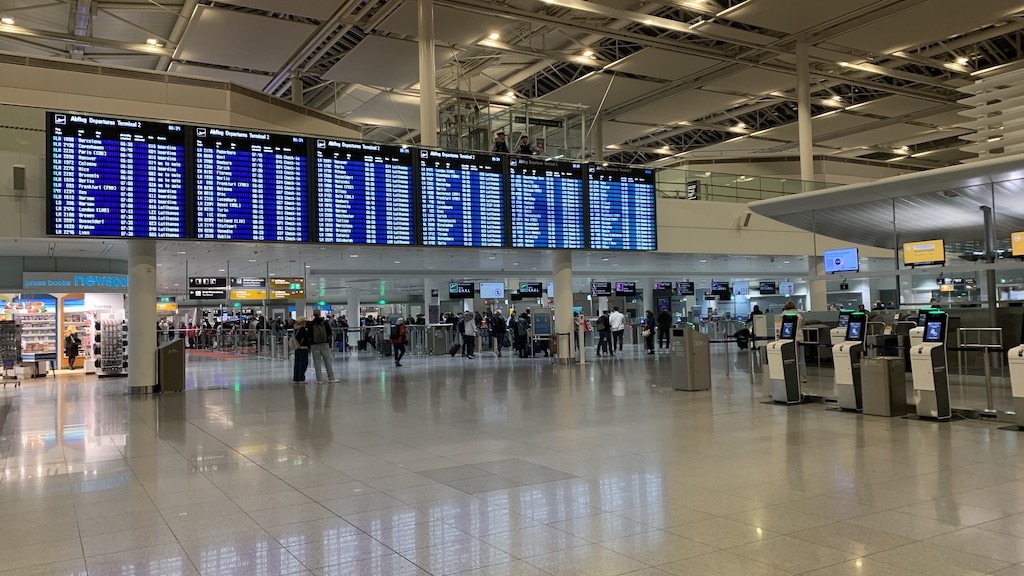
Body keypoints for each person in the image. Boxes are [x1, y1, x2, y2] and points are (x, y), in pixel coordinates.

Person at [309, 310, 339, 384]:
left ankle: (319, 380)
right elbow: (329, 333)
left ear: (313, 314)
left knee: (317, 362)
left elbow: (309, 334)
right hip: (324, 344)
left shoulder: (311, 323)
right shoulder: (324, 322)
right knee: (327, 360)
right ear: (319, 314)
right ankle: (331, 378)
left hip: (314, 344)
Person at [783, 301, 807, 383]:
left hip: (787, 340)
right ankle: (803, 376)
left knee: (789, 359)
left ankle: (791, 376)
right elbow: (802, 325)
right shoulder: (799, 316)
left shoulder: (782, 316)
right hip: (799, 339)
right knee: (801, 358)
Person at [293, 316, 311, 383]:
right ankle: (301, 378)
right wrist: (309, 346)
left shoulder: (295, 329)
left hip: (297, 347)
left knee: (297, 363)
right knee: (303, 363)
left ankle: (296, 377)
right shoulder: (302, 329)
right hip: (303, 347)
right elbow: (306, 338)